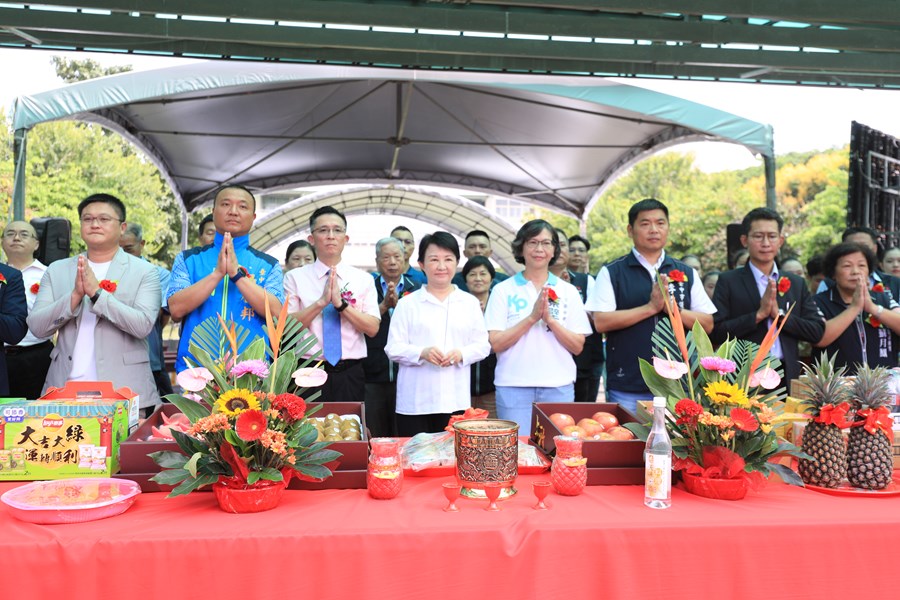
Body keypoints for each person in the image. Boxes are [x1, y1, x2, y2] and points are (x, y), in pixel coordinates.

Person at [28, 193, 160, 412]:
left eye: (104, 219)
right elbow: (37, 327)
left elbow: (142, 325)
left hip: (123, 392)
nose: (95, 224)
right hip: (64, 390)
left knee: (122, 448)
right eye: (88, 219)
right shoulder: (57, 269)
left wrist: (97, 294)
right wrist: (74, 298)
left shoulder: (144, 272)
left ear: (122, 227)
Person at [587, 199, 715, 414]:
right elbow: (600, 321)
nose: (654, 229)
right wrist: (650, 308)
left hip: (679, 384)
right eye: (645, 223)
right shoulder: (613, 272)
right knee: (627, 444)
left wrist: (673, 310)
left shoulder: (686, 272)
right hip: (627, 383)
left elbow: (707, 323)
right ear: (631, 230)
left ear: (668, 228)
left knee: (676, 446)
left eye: (660, 223)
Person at [485, 220, 591, 432]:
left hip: (558, 386)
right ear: (521, 248)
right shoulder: (502, 290)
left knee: (556, 452)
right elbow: (495, 343)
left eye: (546, 243)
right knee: (518, 453)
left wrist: (550, 320)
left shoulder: (567, 291)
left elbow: (578, 346)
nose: (539, 249)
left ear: (554, 250)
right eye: (532, 242)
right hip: (512, 386)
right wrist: (532, 318)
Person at [167, 185, 284, 373]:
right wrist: (217, 274)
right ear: (213, 213)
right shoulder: (188, 259)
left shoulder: (269, 265)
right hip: (197, 370)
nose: (233, 212)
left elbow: (277, 314)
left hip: (251, 370)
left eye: (243, 207)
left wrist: (237, 275)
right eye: (226, 204)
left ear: (253, 217)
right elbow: (176, 309)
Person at [386, 232, 490, 436]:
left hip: (455, 400)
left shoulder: (469, 303)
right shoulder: (407, 304)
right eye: (434, 260)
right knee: (415, 461)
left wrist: (461, 354)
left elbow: (483, 345)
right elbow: (393, 348)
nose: (441, 266)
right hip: (415, 402)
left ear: (457, 263)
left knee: (453, 461)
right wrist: (421, 353)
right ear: (421, 264)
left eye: (448, 259)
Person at [712, 208, 825, 388]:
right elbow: (716, 332)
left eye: (772, 236)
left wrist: (779, 316)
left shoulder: (795, 282)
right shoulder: (728, 281)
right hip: (744, 374)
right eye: (758, 236)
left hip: (786, 373)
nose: (766, 243)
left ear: (780, 241)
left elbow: (816, 331)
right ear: (744, 240)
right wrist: (758, 315)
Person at [286, 206, 380, 403]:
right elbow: (287, 328)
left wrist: (341, 305)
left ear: (345, 239)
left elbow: (372, 328)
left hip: (349, 371)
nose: (330, 236)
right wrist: (320, 303)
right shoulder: (295, 277)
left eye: (337, 230)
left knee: (350, 429)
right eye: (323, 230)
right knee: (309, 432)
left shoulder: (363, 279)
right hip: (308, 370)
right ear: (311, 239)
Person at [363, 237, 421, 437]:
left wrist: (400, 308)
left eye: (397, 256)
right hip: (372, 373)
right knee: (376, 433)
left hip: (407, 373)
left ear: (405, 258)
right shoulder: (366, 287)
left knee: (403, 432)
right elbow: (360, 323)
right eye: (386, 257)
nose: (393, 262)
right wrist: (384, 306)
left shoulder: (418, 288)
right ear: (377, 260)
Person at [814, 242, 900, 373]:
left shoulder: (883, 298)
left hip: (883, 385)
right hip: (836, 386)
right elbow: (819, 338)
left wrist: (873, 308)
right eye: (847, 266)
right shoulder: (819, 301)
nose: (855, 271)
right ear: (833, 273)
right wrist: (854, 307)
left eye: (861, 265)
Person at [119, 222, 173, 398]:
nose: (122, 255)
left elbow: (158, 315)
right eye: (117, 249)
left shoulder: (159, 275)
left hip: (150, 357)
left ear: (141, 244)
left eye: (128, 249)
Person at [2, 221, 51, 399]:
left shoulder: (48, 274)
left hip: (36, 355)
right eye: (10, 233)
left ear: (36, 244)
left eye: (24, 234)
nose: (16, 238)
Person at [554, 229, 604, 403]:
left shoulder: (587, 280)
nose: (576, 254)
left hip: (586, 355)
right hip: (555, 355)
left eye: (581, 250)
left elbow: (597, 318)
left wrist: (570, 297)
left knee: (584, 406)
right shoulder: (540, 280)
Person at [816, 227, 900, 302]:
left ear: (875, 249)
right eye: (852, 247)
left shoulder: (894, 283)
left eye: (864, 247)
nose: (858, 251)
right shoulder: (827, 284)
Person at [462, 255, 498, 417]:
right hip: (463, 387)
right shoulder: (458, 304)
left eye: (483, 274)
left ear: (491, 278)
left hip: (493, 386)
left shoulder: (499, 304)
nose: (478, 279)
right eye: (472, 274)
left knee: (492, 431)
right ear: (465, 280)